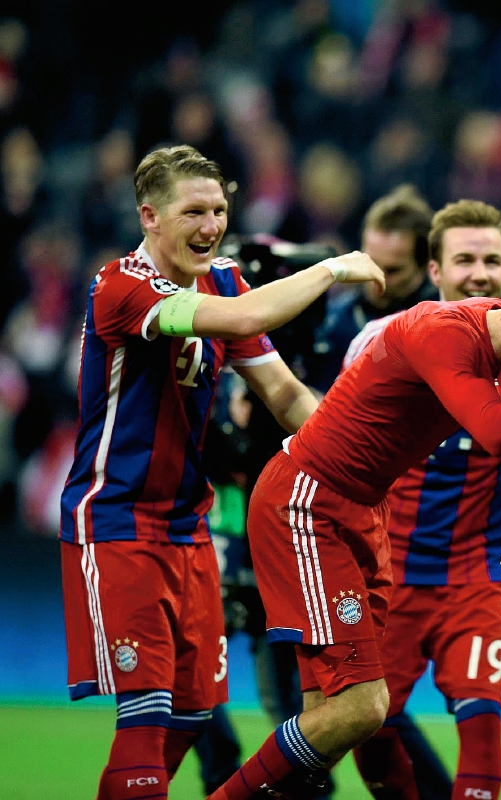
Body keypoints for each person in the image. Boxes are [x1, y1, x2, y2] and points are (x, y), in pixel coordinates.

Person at [208, 268, 501, 799]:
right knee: (364, 707)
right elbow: (492, 430)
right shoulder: (444, 332)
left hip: (362, 513)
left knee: (336, 716)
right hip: (308, 503)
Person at [58, 144, 385, 799]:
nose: (211, 225)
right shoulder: (122, 289)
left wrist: (368, 462)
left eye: (219, 210)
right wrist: (330, 266)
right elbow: (243, 318)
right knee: (146, 720)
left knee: (193, 713)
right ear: (149, 217)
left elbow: (287, 397)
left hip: (189, 529)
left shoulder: (223, 280)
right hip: (117, 525)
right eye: (193, 212)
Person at [346, 200, 501, 800]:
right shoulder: (380, 343)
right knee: (369, 727)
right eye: (464, 260)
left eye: (492, 260)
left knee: (482, 725)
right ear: (433, 269)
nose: (480, 273)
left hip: (477, 574)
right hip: (389, 579)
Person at [311, 184, 438, 391]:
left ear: (423, 266)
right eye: (370, 263)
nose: (376, 278)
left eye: (393, 270)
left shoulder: (439, 328)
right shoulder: (333, 320)